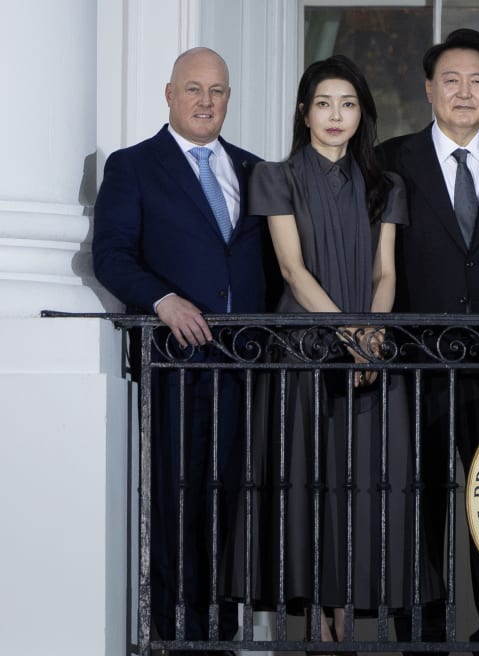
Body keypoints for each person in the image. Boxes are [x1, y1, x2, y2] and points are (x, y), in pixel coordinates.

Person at [227, 54, 441, 648]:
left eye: (348, 104)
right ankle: (313, 622)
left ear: (361, 114)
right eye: (324, 103)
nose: (335, 115)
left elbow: (386, 272)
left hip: (371, 348)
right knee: (305, 477)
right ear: (304, 111)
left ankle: (348, 617)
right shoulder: (276, 175)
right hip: (304, 346)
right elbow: (293, 272)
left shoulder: (386, 185)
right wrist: (352, 335)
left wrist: (372, 334)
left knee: (367, 481)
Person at [92, 47, 272, 654]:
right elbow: (112, 254)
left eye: (217, 91)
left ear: (228, 98)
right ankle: (172, 634)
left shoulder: (255, 170)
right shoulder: (133, 166)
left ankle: (222, 632)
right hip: (174, 365)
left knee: (236, 503)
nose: (205, 101)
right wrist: (163, 301)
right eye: (193, 89)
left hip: (247, 367)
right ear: (169, 94)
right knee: (175, 500)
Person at [378, 28, 479, 648]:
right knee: (419, 503)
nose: (464, 92)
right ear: (428, 89)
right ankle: (419, 631)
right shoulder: (393, 158)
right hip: (415, 364)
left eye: (477, 80)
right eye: (450, 80)